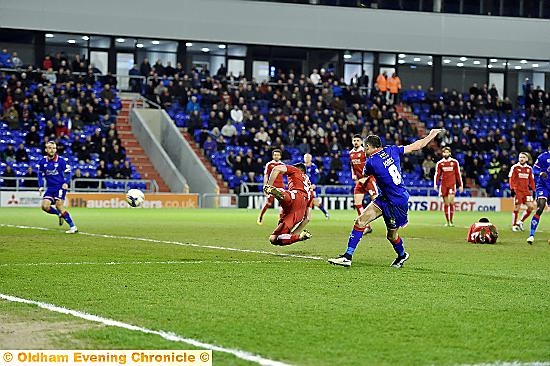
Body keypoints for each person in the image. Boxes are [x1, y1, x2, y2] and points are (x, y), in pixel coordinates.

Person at [328, 128, 444, 268]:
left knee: (391, 236)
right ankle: (347, 256)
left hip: (396, 203)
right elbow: (417, 145)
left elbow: (364, 175)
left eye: (365, 147)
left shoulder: (370, 162)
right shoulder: (392, 149)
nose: (364, 150)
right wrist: (431, 134)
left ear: (369, 147)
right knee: (360, 221)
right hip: (384, 198)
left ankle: (402, 255)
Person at [263, 163, 313, 246]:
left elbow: (276, 169)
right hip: (299, 211)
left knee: (287, 195)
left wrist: (268, 185)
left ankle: (276, 192)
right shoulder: (310, 190)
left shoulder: (296, 170)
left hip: (295, 195)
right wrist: (294, 235)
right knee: (274, 238)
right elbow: (307, 218)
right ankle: (300, 237)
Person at [37, 141, 78, 234]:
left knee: (58, 205)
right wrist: (40, 186)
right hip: (50, 188)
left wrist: (66, 182)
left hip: (60, 186)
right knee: (45, 206)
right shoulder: (42, 161)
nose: (52, 150)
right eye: (50, 148)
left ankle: (73, 227)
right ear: (46, 149)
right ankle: (59, 214)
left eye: (54, 148)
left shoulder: (61, 161)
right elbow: (39, 175)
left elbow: (68, 173)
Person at [349, 134, 378, 234]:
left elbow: (372, 163)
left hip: (369, 179)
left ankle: (392, 220)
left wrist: (366, 177)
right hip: (360, 181)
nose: (356, 142)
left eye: (357, 140)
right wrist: (353, 175)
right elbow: (352, 166)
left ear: (361, 142)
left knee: (378, 202)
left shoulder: (365, 151)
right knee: (357, 203)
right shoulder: (351, 153)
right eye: (354, 140)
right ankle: (366, 225)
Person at [434, 147, 463, 226]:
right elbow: (437, 174)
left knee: (451, 202)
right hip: (443, 185)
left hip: (452, 184)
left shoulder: (454, 162)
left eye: (447, 152)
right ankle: (447, 222)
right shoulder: (440, 163)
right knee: (446, 203)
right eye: (444, 152)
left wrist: (460, 185)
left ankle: (451, 220)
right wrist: (435, 184)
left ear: (450, 153)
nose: (446, 154)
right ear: (442, 153)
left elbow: (458, 174)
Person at [527, 147, 550, 244]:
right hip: (543, 186)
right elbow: (534, 169)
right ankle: (531, 235)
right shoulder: (543, 156)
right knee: (540, 207)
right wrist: (541, 173)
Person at [257, 149, 285, 225]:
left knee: (282, 204)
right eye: (275, 155)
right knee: (269, 203)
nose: (276, 156)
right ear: (273, 156)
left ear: (280, 156)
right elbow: (266, 176)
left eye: (278, 155)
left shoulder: (282, 164)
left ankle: (281, 221)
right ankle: (260, 216)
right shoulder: (269, 164)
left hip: (281, 186)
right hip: (272, 186)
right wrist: (265, 186)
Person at [508, 152, 535, 231]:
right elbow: (511, 179)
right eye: (520, 157)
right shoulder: (515, 167)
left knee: (531, 207)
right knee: (517, 208)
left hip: (526, 191)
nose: (521, 159)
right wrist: (512, 189)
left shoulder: (529, 169)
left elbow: (531, 180)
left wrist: (533, 190)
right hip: (517, 190)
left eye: (523, 157)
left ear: (526, 159)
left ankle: (520, 222)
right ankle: (514, 225)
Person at [304, 153, 330, 219]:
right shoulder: (302, 166)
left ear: (311, 158)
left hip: (312, 187)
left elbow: (318, 176)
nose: (307, 158)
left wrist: (314, 184)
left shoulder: (313, 166)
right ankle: (302, 216)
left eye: (308, 157)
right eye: (306, 157)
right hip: (304, 186)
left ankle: (325, 213)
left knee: (315, 202)